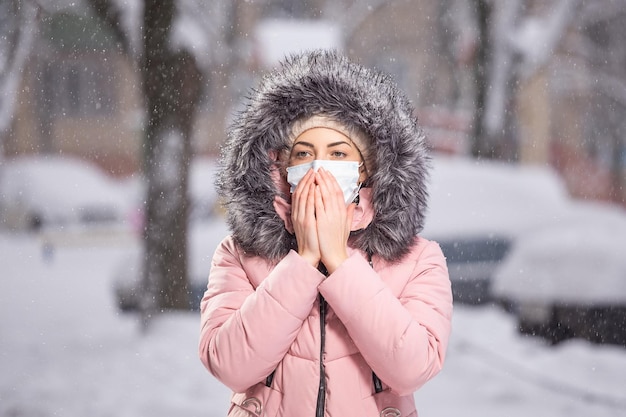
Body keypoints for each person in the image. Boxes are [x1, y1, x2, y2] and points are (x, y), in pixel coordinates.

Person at [199, 49, 453, 417]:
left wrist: (338, 259)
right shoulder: (239, 254)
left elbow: (412, 368)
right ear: (280, 168)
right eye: (303, 153)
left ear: (366, 171)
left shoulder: (418, 259)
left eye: (338, 154)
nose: (319, 167)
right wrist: (303, 261)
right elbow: (229, 364)